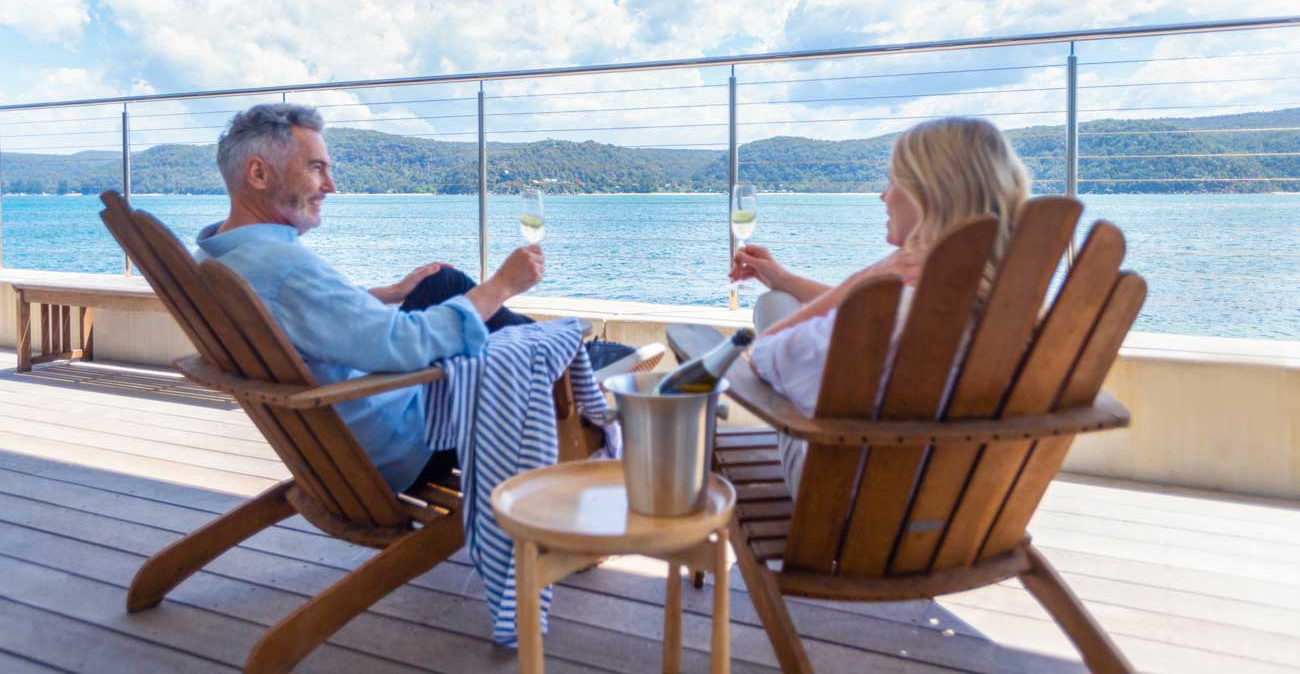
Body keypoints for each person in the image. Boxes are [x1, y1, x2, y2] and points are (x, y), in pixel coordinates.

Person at [196, 103, 630, 494]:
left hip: (336, 436)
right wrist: (503, 285)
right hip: (404, 439)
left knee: (439, 283)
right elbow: (406, 345)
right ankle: (571, 368)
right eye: (316, 168)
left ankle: (568, 358)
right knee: (524, 334)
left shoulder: (221, 257)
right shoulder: (285, 268)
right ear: (258, 174)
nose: (330, 185)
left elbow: (292, 315)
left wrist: (385, 295)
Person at [730, 117, 1031, 494]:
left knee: (775, 308)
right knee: (781, 296)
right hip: (962, 500)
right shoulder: (1009, 302)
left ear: (929, 196)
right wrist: (786, 279)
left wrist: (876, 273)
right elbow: (869, 309)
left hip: (850, 498)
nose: (883, 196)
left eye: (892, 182)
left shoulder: (902, 317)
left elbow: (762, 355)